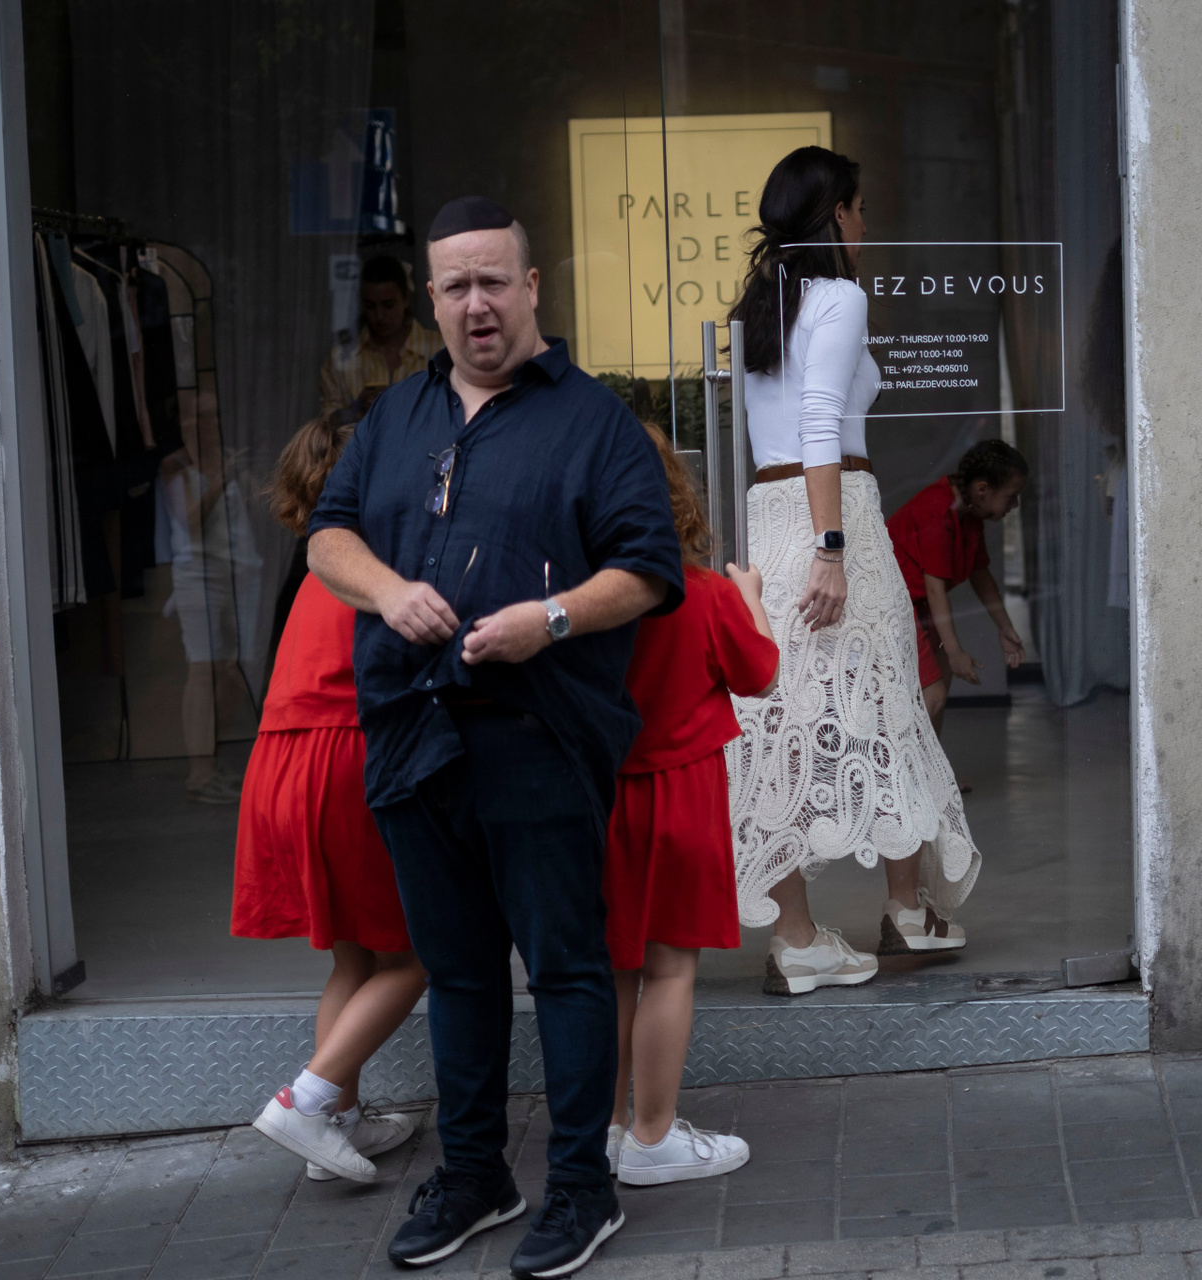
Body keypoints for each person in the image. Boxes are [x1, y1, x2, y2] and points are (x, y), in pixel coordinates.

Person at [306, 197, 684, 1278]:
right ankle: (475, 1175)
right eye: (457, 286)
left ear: (531, 289)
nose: (477, 304)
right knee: (460, 973)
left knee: (566, 970)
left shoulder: (594, 422)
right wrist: (389, 592)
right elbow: (328, 536)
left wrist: (549, 619)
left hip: (537, 734)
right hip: (413, 736)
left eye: (494, 282)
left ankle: (581, 1188)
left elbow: (648, 568)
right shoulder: (396, 415)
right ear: (432, 299)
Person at [724, 146, 983, 995]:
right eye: (860, 208)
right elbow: (820, 421)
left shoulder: (765, 305)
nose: (867, 223)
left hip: (770, 518)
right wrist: (831, 549)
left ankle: (800, 935)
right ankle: (902, 908)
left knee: (778, 725)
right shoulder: (837, 298)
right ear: (835, 214)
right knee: (883, 700)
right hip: (832, 518)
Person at [240, 415, 427, 1183]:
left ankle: (336, 1126)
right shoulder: (378, 565)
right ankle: (306, 1102)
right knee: (419, 956)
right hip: (343, 760)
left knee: (353, 955)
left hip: (282, 761)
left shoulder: (316, 564)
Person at [606, 425, 779, 1186]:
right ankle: (653, 1137)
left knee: (611, 968)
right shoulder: (702, 592)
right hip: (681, 795)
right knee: (670, 967)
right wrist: (751, 598)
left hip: (600, 795)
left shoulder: (576, 595)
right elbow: (761, 674)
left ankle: (607, 1130)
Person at [886, 439, 1030, 738]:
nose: (1014, 506)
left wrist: (1005, 628)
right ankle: (901, 767)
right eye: (1011, 497)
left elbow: (980, 574)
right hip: (892, 605)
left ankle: (930, 767)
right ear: (982, 489)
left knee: (939, 688)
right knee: (933, 695)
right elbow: (935, 590)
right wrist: (954, 652)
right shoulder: (937, 513)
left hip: (918, 606)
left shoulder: (969, 514)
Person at [318, 254, 444, 421]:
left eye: (388, 305)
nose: (379, 316)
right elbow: (327, 421)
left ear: (405, 298)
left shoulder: (440, 349)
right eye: (370, 306)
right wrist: (355, 410)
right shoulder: (341, 357)